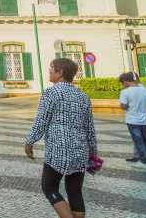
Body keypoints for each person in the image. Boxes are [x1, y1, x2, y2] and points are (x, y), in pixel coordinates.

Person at [25, 58, 97, 218]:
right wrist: (93, 151)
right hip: (80, 150)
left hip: (59, 150)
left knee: (49, 188)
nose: (49, 72)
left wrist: (30, 141)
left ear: (60, 73)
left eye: (52, 69)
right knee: (75, 191)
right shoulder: (83, 96)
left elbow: (42, 121)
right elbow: (90, 128)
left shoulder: (51, 93)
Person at [119, 71, 146, 169]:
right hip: (144, 120)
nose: (123, 84)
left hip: (132, 120)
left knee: (138, 141)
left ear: (126, 81)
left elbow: (123, 106)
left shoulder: (125, 92)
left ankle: (143, 162)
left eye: (123, 82)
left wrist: (125, 106)